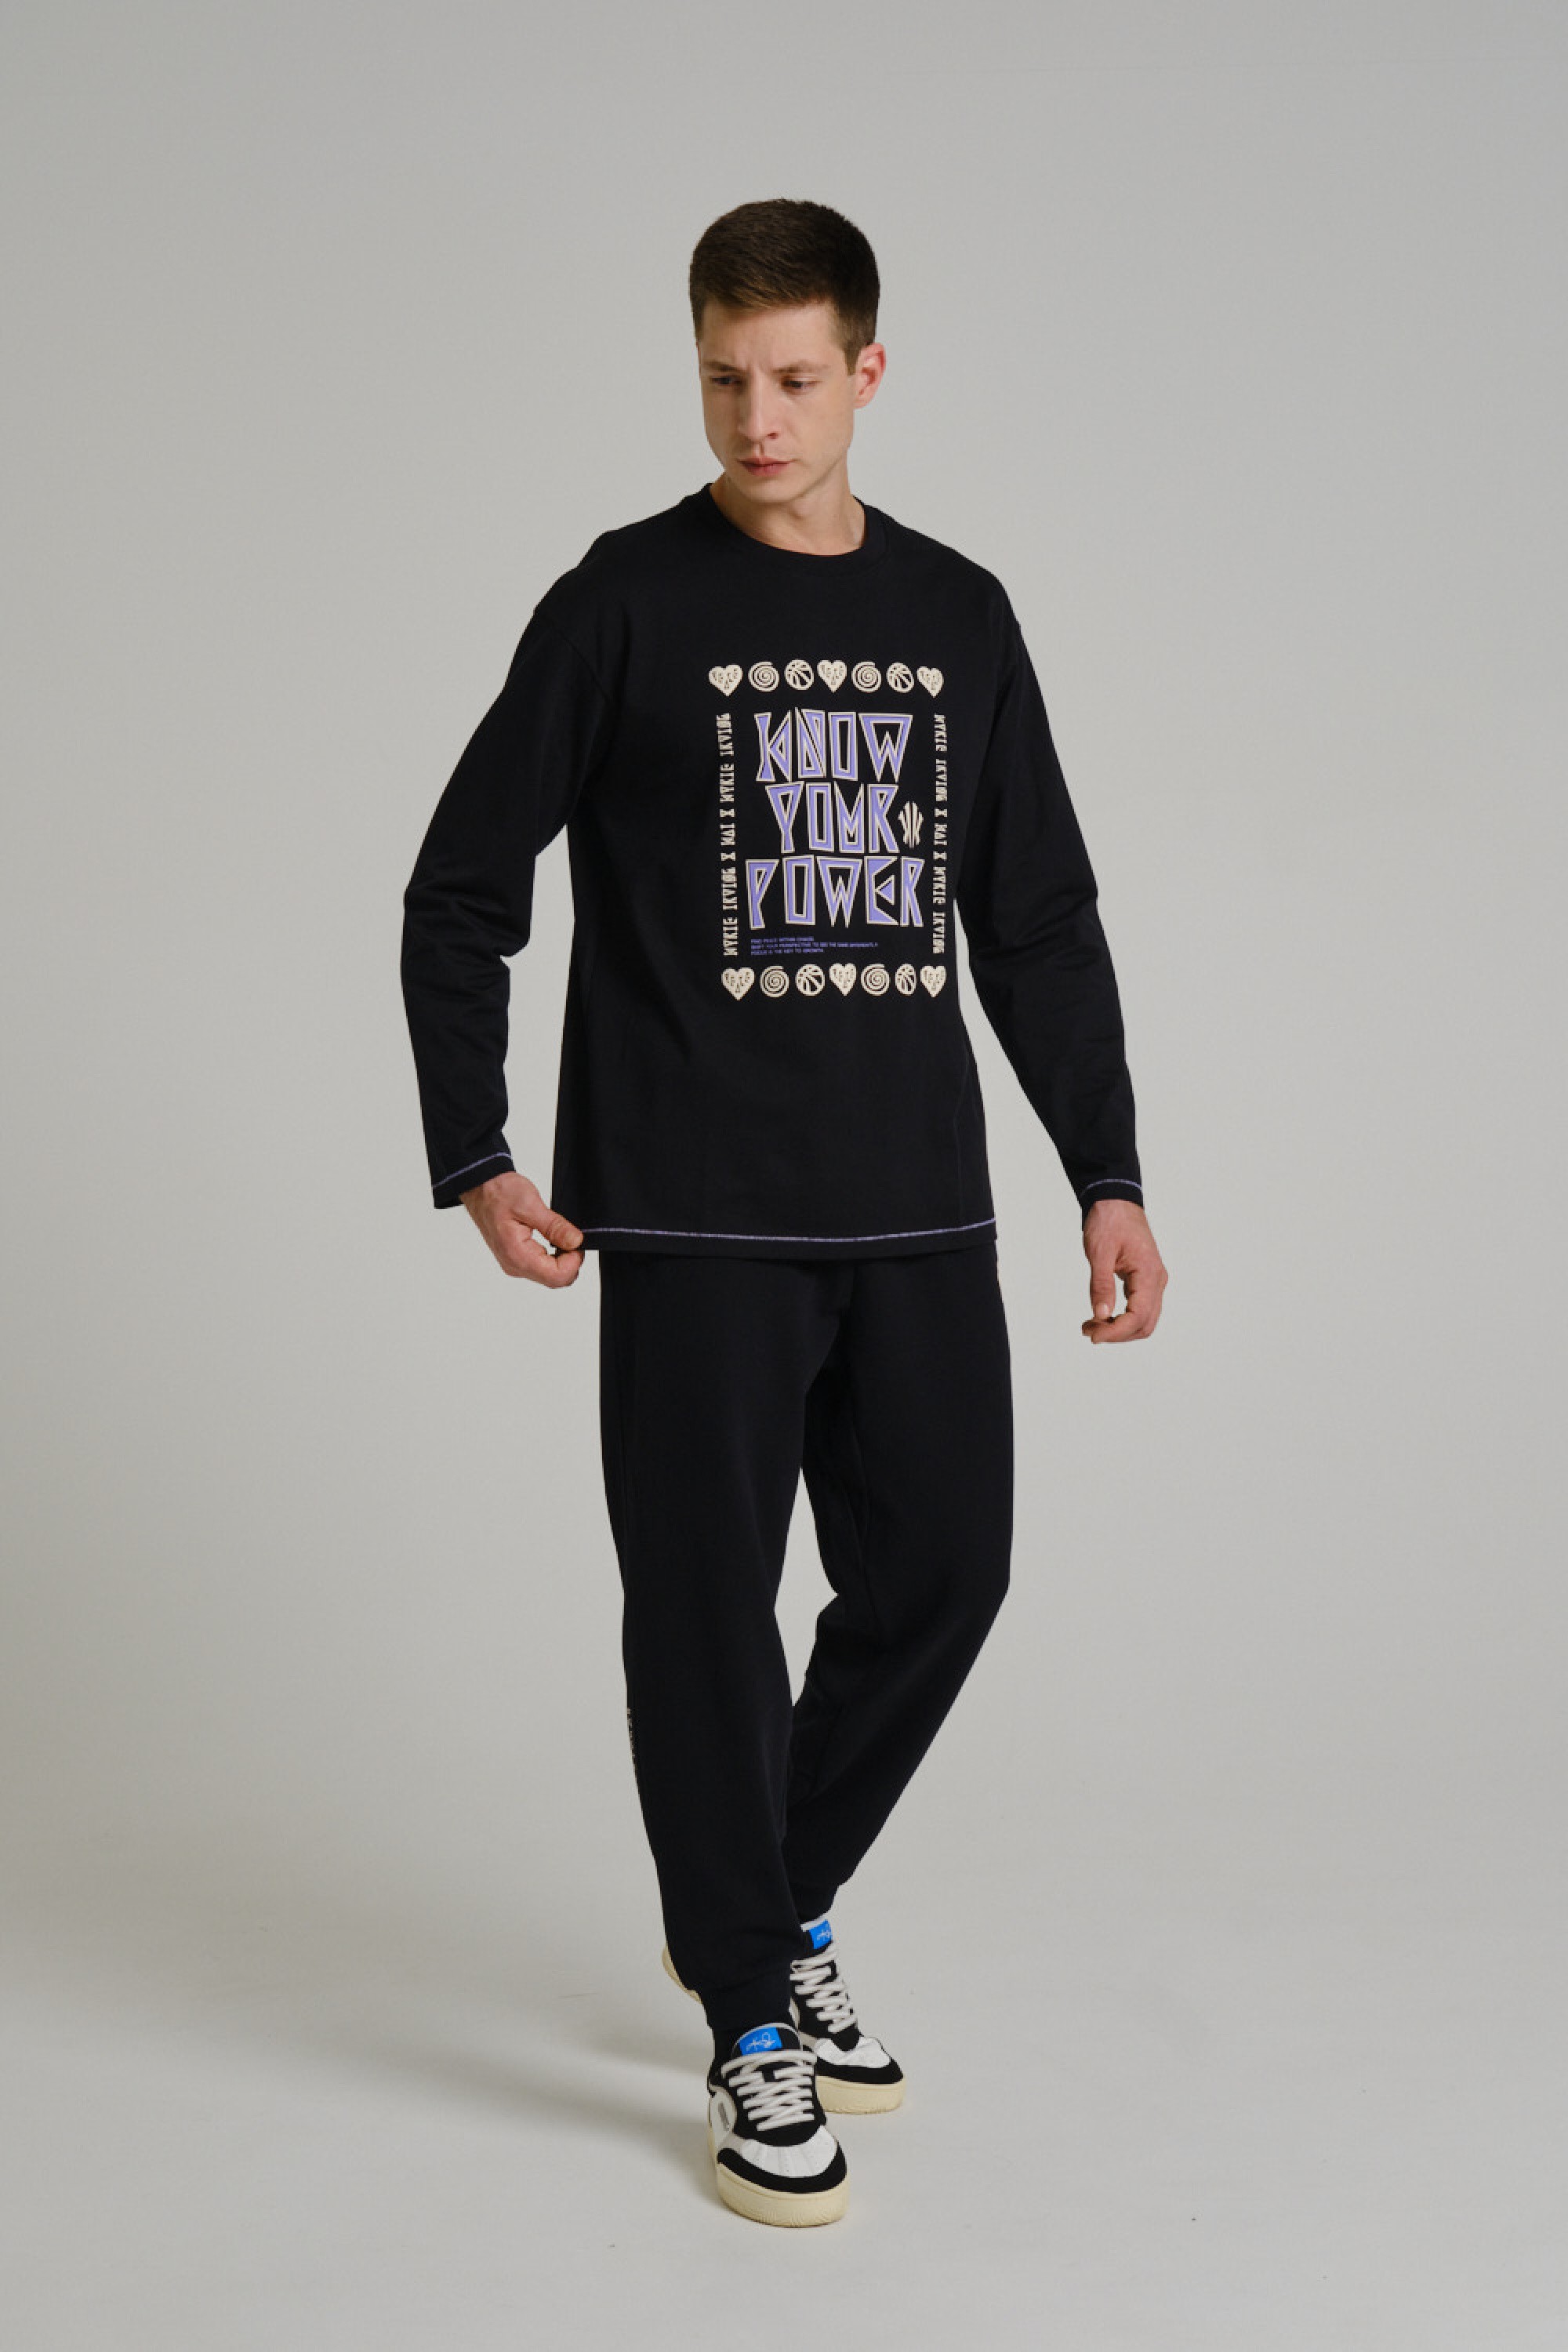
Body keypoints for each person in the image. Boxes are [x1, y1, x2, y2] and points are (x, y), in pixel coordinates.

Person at [400, 197, 1168, 2229]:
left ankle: (763, 1893)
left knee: (950, 1574)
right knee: (705, 1616)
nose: (761, 418)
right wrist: (475, 1148)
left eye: (799, 378)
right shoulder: (622, 603)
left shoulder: (960, 614)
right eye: (727, 379)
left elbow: (1038, 919)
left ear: (869, 374)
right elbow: (464, 887)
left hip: (916, 1209)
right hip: (690, 1222)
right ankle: (752, 2008)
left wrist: (1106, 1171)